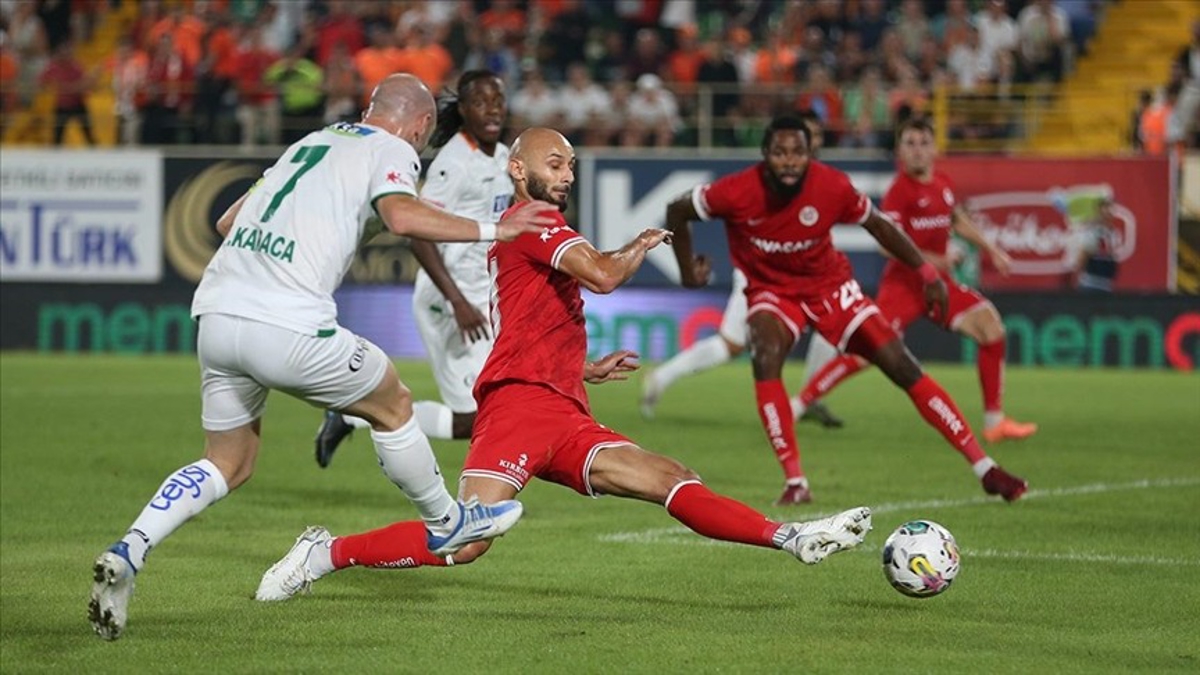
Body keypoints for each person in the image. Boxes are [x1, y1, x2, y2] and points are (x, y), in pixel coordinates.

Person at [253, 128, 873, 602]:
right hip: (519, 408)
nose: (567, 174)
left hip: (563, 409)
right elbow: (602, 275)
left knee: (669, 477)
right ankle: (324, 554)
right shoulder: (533, 222)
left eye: (572, 165)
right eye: (555, 163)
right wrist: (638, 244)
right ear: (518, 169)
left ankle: (792, 537)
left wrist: (579, 370)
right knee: (463, 543)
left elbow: (532, 320)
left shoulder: (535, 229)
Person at [88, 75, 559, 641]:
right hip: (288, 323)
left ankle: (130, 549)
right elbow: (402, 218)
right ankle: (447, 522)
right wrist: (496, 228)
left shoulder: (309, 142)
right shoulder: (391, 149)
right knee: (393, 400)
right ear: (420, 126)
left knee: (227, 463)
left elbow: (227, 223)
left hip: (216, 315)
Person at [665, 115, 1028, 506]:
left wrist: (928, 274)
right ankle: (796, 481)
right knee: (765, 353)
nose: (789, 161)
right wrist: (687, 272)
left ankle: (985, 468)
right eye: (780, 152)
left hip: (831, 288)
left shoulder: (832, 185)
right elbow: (676, 209)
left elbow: (880, 226)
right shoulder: (735, 190)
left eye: (798, 152)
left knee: (901, 365)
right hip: (773, 292)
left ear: (810, 154)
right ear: (765, 154)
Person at [794, 118, 1038, 445]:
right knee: (867, 354)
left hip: (939, 286)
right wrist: (937, 260)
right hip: (903, 288)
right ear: (900, 151)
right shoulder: (899, 191)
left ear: (934, 149)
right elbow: (886, 245)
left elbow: (956, 219)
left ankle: (995, 422)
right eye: (910, 144)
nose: (917, 150)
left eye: (923, 143)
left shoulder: (942, 183)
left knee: (990, 327)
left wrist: (991, 250)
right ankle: (799, 404)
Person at [314, 70, 513, 467]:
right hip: (451, 301)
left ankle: (352, 418)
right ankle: (481, 492)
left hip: (480, 298)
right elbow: (418, 235)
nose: (492, 110)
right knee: (485, 413)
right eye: (480, 102)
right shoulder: (453, 163)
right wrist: (457, 301)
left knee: (482, 415)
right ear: (463, 110)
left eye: (497, 101)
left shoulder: (504, 156)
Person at [640, 110, 844, 431]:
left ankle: (807, 398)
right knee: (730, 346)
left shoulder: (820, 180)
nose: (812, 142)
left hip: (800, 279)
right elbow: (683, 209)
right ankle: (663, 376)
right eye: (806, 136)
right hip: (760, 277)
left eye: (816, 136)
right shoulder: (765, 181)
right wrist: (688, 269)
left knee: (834, 325)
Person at [1071, 195, 1120, 293]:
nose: (1109, 211)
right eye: (1106, 208)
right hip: (1090, 286)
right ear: (1099, 211)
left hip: (1106, 285)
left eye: (1111, 208)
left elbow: (1111, 256)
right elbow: (1082, 257)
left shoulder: (1113, 233)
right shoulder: (1092, 232)